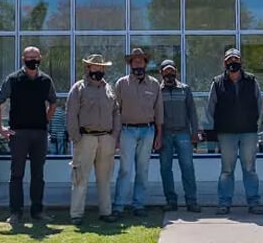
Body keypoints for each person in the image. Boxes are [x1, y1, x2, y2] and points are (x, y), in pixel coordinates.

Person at [0, 46, 58, 226]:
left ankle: (37, 211)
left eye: (35, 57)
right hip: (18, 133)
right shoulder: (13, 80)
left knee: (38, 174)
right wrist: (0, 128)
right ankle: (16, 212)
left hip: (39, 133)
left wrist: (46, 118)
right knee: (17, 174)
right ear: (23, 59)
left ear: (40, 59)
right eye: (28, 57)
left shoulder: (46, 80)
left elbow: (53, 102)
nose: (32, 60)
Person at [203, 48, 263, 216]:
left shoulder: (251, 81)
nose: (232, 63)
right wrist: (216, 129)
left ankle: (254, 203)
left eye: (235, 59)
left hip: (248, 133)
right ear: (224, 63)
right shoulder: (217, 82)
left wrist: (256, 126)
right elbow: (210, 109)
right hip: (226, 134)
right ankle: (224, 203)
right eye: (229, 60)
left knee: (249, 169)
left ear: (240, 62)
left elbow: (260, 105)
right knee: (227, 170)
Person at [65, 54, 121, 225]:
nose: (98, 70)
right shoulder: (79, 88)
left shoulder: (109, 89)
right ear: (88, 68)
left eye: (101, 67)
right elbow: (71, 114)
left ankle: (106, 212)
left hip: (106, 138)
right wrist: (76, 137)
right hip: (85, 138)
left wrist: (114, 136)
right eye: (95, 66)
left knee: (104, 179)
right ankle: (76, 214)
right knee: (80, 178)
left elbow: (116, 113)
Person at [113, 47, 163, 217]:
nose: (138, 63)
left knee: (143, 170)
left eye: (141, 60)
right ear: (130, 64)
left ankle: (138, 205)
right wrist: (116, 136)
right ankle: (118, 206)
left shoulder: (154, 84)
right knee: (125, 170)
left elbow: (159, 111)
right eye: (135, 61)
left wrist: (159, 134)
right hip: (127, 130)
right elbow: (116, 111)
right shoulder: (121, 83)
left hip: (148, 131)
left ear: (145, 63)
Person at [157, 59, 200, 213]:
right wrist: (157, 136)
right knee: (165, 168)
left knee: (187, 167)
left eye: (172, 70)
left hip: (183, 133)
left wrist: (195, 132)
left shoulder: (185, 89)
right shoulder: (157, 90)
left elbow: (192, 112)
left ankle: (191, 201)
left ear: (176, 71)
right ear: (161, 72)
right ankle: (170, 200)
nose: (169, 73)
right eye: (166, 71)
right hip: (165, 134)